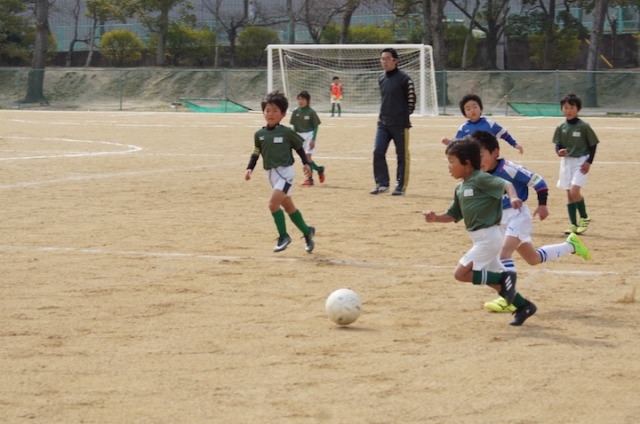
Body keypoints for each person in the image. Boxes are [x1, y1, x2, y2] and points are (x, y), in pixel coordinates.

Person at [471, 130, 592, 313]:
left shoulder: (509, 169)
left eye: (480, 155)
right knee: (533, 258)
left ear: (495, 152)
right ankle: (571, 245)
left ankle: (509, 298)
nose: (477, 161)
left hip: (518, 216)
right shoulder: (479, 174)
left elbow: (538, 181)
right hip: (500, 220)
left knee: (503, 253)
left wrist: (542, 205)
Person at [423, 137, 536, 326]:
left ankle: (505, 277)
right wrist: (436, 218)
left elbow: (505, 184)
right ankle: (524, 306)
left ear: (467, 163)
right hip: (480, 239)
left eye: (452, 162)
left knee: (461, 274)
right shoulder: (460, 188)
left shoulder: (480, 178)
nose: (449, 167)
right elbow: (453, 214)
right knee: (495, 282)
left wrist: (513, 197)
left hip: (489, 238)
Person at [245, 90, 316, 253]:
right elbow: (256, 152)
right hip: (271, 176)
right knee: (289, 208)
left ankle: (284, 236)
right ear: (263, 112)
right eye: (267, 110)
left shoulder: (287, 132)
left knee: (273, 204)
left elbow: (299, 147)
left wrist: (306, 163)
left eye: (275, 111)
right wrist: (249, 168)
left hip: (286, 174)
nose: (270, 114)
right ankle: (307, 232)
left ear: (283, 114)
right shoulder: (259, 134)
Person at [370, 47, 416, 196]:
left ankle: (400, 186)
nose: (384, 62)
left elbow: (411, 100)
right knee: (378, 151)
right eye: (382, 59)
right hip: (383, 124)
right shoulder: (381, 78)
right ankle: (382, 184)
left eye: (387, 59)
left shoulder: (405, 79)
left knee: (402, 156)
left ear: (395, 61)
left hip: (400, 125)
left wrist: (403, 115)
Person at [553, 93, 600, 235]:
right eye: (565, 107)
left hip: (580, 161)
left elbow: (593, 144)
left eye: (572, 107)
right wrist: (559, 151)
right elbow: (558, 144)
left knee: (574, 191)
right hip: (566, 162)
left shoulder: (584, 126)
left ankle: (584, 217)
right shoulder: (561, 126)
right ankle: (573, 224)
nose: (568, 110)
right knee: (569, 194)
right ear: (562, 109)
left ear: (578, 109)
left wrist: (589, 162)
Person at [441, 94, 524, 154]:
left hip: (489, 160)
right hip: (473, 161)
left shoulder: (490, 124)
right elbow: (458, 143)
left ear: (481, 109)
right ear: (465, 114)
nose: (472, 110)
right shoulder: (463, 128)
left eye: (475, 107)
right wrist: (449, 142)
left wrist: (515, 144)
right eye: (468, 109)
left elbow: (504, 135)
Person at [290, 90, 325, 186]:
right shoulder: (296, 111)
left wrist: (313, 139)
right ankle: (319, 169)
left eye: (303, 99)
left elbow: (316, 126)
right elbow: (294, 126)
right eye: (299, 99)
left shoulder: (311, 112)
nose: (300, 101)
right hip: (299, 136)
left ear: (308, 101)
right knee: (305, 158)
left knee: (307, 157)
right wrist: (293, 137)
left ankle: (309, 179)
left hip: (309, 135)